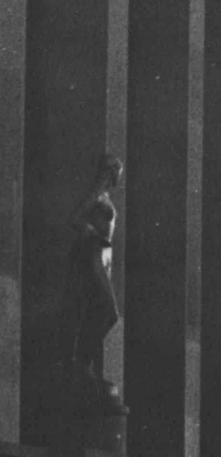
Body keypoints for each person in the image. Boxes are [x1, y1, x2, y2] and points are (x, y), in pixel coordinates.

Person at [64, 152, 124, 403]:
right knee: (109, 313)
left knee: (99, 311)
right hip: (94, 253)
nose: (117, 178)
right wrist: (90, 233)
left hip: (104, 256)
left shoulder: (106, 197)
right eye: (116, 172)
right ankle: (82, 362)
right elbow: (75, 218)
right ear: (109, 172)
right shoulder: (97, 195)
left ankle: (86, 365)